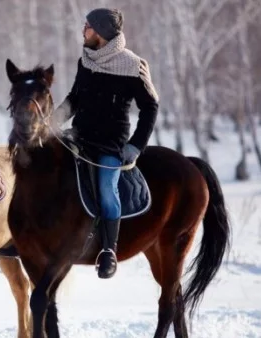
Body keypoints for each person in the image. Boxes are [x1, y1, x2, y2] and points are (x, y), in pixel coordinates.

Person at [56, 8, 159, 278]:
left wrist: (136, 145)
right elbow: (74, 98)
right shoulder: (86, 59)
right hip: (79, 137)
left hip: (111, 145)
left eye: (88, 27)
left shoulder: (134, 65)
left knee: (106, 189)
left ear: (101, 32)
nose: (83, 31)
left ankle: (108, 251)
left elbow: (150, 107)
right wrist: (51, 121)